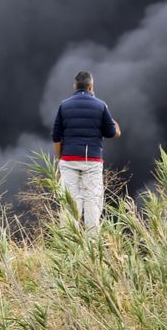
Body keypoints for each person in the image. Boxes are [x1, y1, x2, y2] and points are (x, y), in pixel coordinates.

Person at [51, 70, 121, 230]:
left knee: (70, 205)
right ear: (91, 86)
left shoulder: (64, 105)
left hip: (68, 161)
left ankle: (68, 245)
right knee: (92, 204)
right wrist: (115, 123)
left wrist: (59, 159)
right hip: (92, 162)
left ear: (74, 86)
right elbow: (113, 133)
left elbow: (56, 137)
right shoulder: (101, 105)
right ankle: (92, 247)